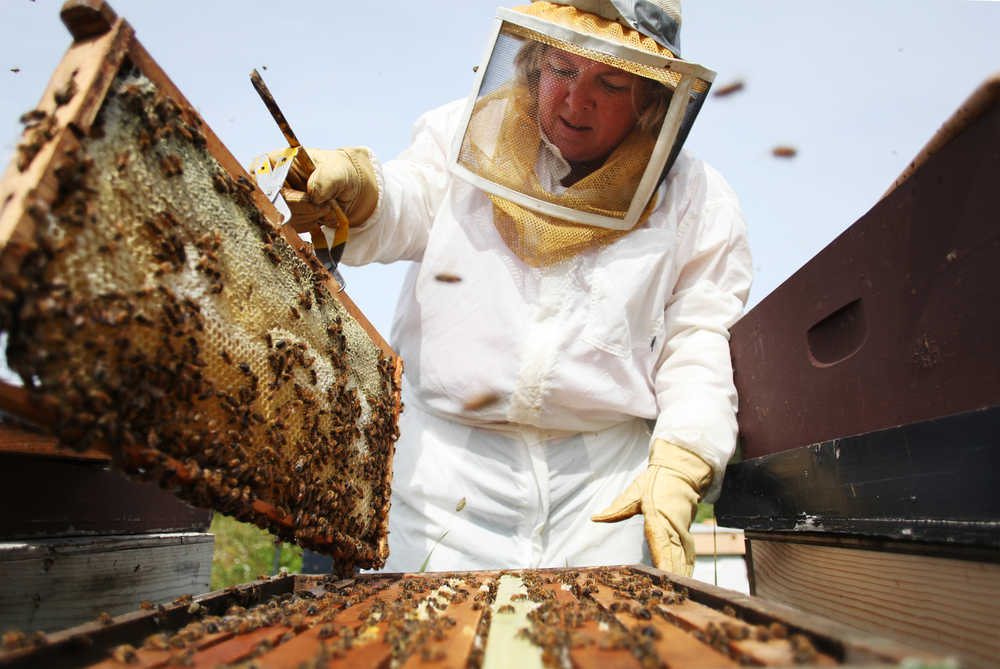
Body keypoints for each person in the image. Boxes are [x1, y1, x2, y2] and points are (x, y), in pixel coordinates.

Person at [274, 0, 751, 576]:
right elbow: (411, 199)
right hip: (440, 474)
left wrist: (685, 452)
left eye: (611, 82)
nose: (576, 100)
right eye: (564, 69)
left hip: (601, 489)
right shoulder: (467, 132)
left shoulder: (697, 197)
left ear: (651, 99)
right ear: (534, 62)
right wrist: (363, 193)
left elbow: (697, 335)